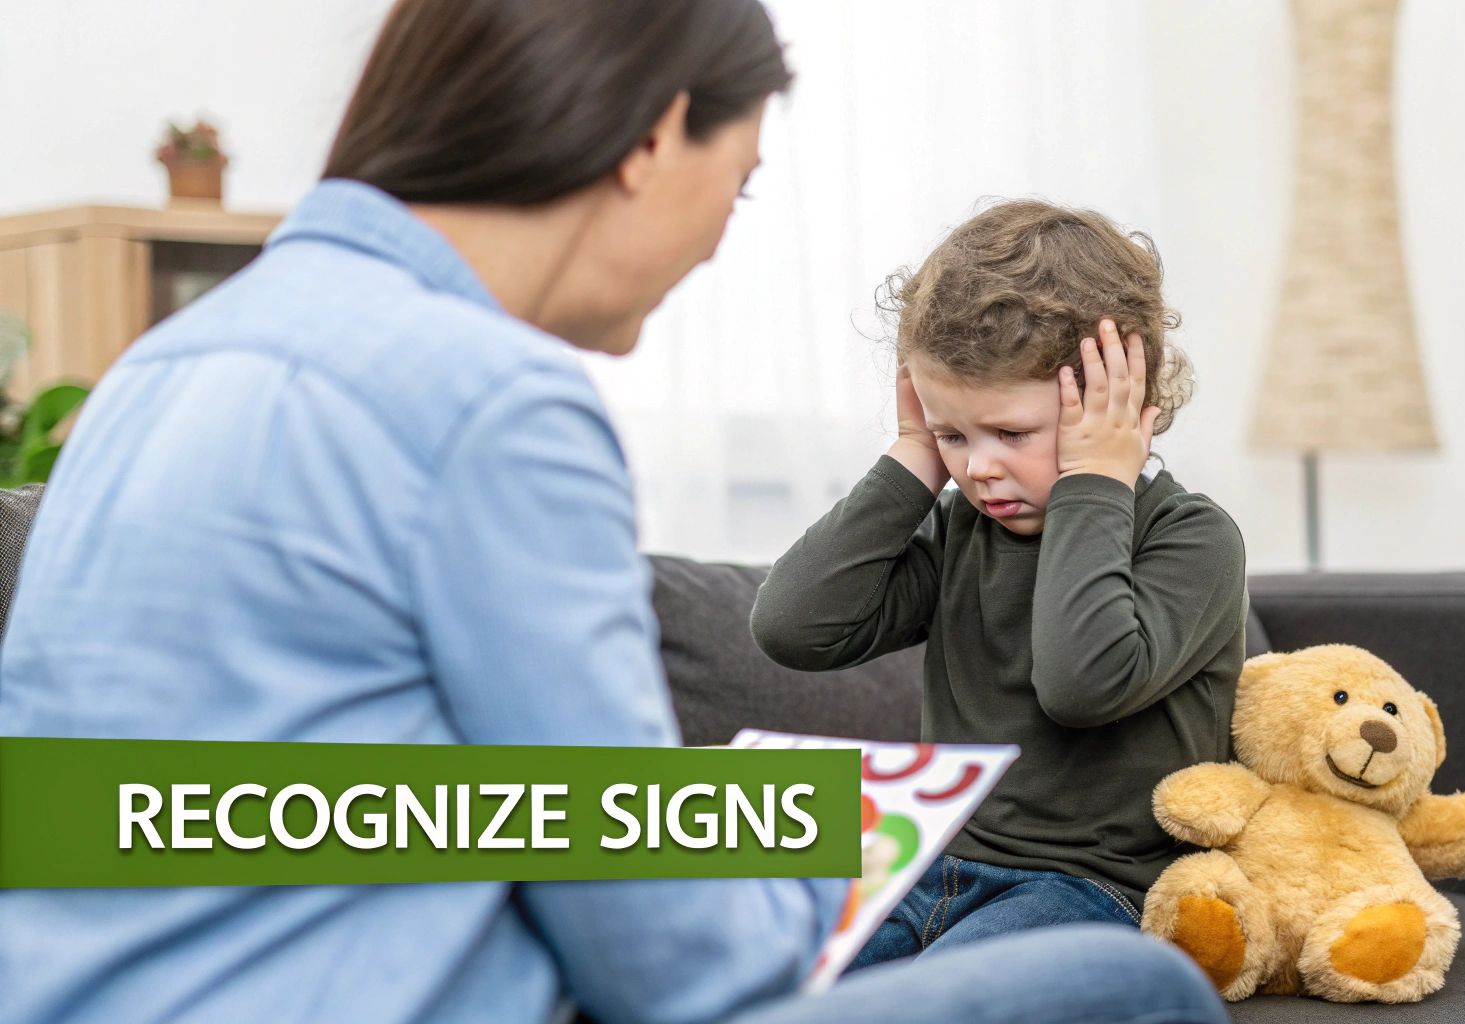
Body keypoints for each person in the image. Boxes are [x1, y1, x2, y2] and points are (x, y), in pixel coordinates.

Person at [0, 2, 1226, 1022]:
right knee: (1127, 988)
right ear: (651, 143)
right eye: (736, 189)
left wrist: (767, 834)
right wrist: (802, 887)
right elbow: (669, 964)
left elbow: (168, 809)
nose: (707, 250)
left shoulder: (165, 362)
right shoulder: (486, 395)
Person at [750, 201, 1250, 968]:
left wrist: (1093, 486)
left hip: (1093, 886)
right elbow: (794, 626)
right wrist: (914, 453)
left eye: (1011, 434)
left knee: (943, 1000)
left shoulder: (1192, 540)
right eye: (956, 434)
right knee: (756, 972)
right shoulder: (961, 529)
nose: (978, 467)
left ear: (1122, 408)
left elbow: (1080, 683)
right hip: (927, 866)